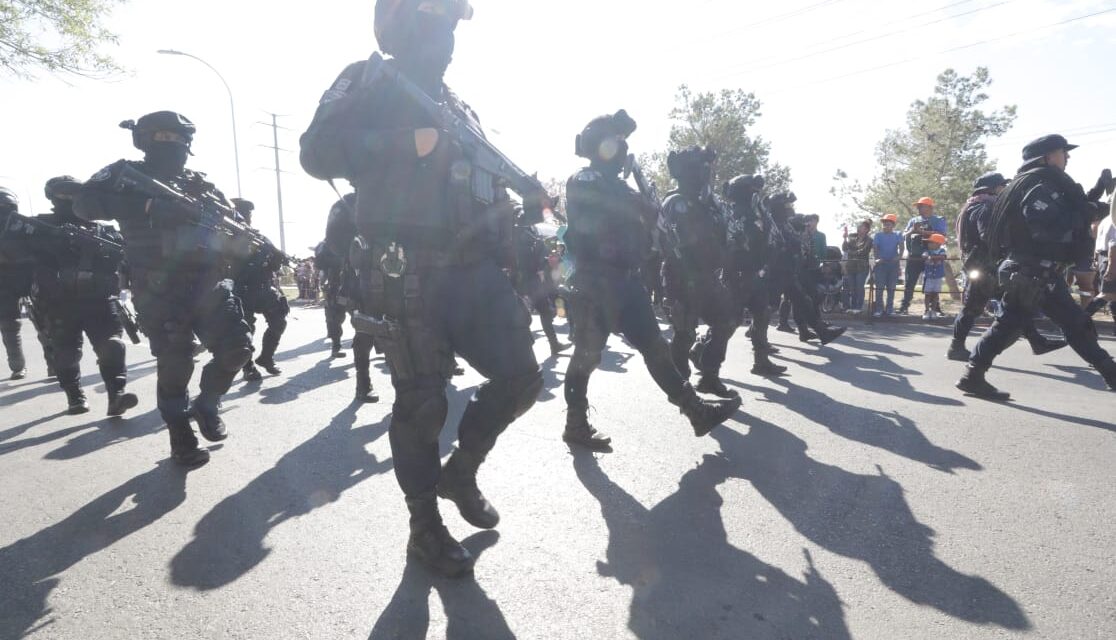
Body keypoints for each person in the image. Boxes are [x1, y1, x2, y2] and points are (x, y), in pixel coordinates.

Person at [301, 0, 544, 577]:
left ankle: (461, 473)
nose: (445, 39)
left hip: (473, 272)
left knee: (522, 379)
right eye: (433, 25)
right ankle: (424, 528)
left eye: (450, 28)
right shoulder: (366, 79)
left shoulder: (460, 106)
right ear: (401, 26)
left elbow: (483, 192)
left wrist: (524, 200)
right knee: (422, 405)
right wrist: (403, 143)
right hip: (402, 267)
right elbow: (316, 153)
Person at [75, 111, 254, 467]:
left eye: (178, 139)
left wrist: (239, 239)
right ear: (144, 140)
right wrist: (147, 206)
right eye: (162, 137)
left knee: (238, 349)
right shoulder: (124, 175)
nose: (171, 145)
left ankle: (207, 403)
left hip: (208, 282)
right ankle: (181, 438)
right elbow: (83, 204)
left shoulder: (202, 186)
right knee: (176, 364)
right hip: (158, 287)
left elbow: (227, 229)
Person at [559, 110, 742, 454]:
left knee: (656, 347)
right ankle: (575, 423)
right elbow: (602, 216)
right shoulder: (584, 179)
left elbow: (645, 227)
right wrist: (639, 201)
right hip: (595, 282)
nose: (622, 150)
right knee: (586, 356)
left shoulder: (621, 186)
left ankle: (695, 411)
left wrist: (645, 209)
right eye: (616, 142)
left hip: (627, 282)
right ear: (600, 147)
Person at [959, 134, 1116, 398]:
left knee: (1020, 325)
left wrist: (1097, 195)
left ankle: (972, 376)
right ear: (1046, 157)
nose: (1067, 156)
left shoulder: (1037, 183)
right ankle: (972, 375)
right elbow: (1048, 225)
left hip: (1034, 271)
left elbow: (1067, 209)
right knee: (1063, 324)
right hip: (1033, 272)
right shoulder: (1036, 186)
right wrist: (1091, 210)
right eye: (1062, 152)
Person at [7, 176, 137, 415]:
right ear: (53, 198)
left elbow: (125, 257)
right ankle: (75, 395)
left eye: (74, 194)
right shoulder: (38, 228)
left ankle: (116, 395)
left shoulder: (102, 230)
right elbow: (13, 251)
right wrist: (53, 243)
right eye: (63, 195)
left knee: (113, 346)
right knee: (66, 353)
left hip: (99, 300)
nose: (69, 200)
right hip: (59, 302)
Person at [949, 172, 1065, 360]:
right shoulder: (986, 208)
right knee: (975, 308)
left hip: (982, 265)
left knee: (1014, 303)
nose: (1005, 189)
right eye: (1002, 186)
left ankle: (1036, 341)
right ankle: (957, 348)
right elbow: (988, 235)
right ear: (993, 188)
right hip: (986, 266)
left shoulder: (973, 205)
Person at [660, 146, 740, 398]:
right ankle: (682, 391)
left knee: (727, 321)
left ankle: (709, 375)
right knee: (684, 334)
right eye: (700, 168)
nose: (706, 173)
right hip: (682, 277)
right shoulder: (676, 202)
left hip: (708, 277)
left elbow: (722, 235)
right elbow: (673, 243)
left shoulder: (710, 203)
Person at [722, 174, 788, 377]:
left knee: (762, 315)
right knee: (730, 321)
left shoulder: (754, 213)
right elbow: (744, 243)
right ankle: (702, 351)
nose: (755, 195)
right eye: (752, 191)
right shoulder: (736, 214)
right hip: (739, 275)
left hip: (754, 273)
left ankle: (761, 361)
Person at [327, 193, 379, 403]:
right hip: (361, 277)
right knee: (365, 330)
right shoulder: (347, 202)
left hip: (397, 271)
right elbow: (334, 242)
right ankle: (363, 383)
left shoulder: (396, 193)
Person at [230, 198, 290, 381]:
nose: (247, 217)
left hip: (264, 289)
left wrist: (275, 260)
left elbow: (273, 263)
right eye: (243, 213)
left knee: (279, 321)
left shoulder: (259, 237)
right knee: (245, 332)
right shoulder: (226, 236)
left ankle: (266, 357)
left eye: (248, 214)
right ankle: (248, 367)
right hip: (241, 291)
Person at [0, 187, 47, 381]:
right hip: (7, 282)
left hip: (29, 278)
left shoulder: (26, 225)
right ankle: (19, 366)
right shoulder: (26, 224)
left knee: (44, 322)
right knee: (11, 326)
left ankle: (53, 363)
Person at [512, 205, 569, 356]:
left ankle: (553, 344)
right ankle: (551, 345)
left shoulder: (528, 231)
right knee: (541, 311)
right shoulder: (519, 233)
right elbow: (525, 259)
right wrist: (540, 266)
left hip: (534, 277)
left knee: (550, 305)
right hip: (529, 279)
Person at [898, 197, 948, 314]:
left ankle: (935, 308)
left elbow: (942, 235)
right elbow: (904, 235)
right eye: (918, 206)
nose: (919, 208)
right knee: (910, 283)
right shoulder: (913, 220)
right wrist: (913, 230)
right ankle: (904, 307)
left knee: (932, 283)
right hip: (914, 256)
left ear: (929, 207)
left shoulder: (939, 220)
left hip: (931, 257)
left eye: (921, 206)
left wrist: (923, 232)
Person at [316, 236, 350, 359]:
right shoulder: (326, 245)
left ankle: (378, 346)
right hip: (336, 286)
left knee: (365, 313)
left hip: (353, 284)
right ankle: (336, 345)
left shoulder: (353, 240)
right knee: (336, 315)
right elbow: (319, 262)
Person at [872, 213, 903, 317]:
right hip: (881, 265)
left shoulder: (898, 234)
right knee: (879, 288)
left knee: (891, 288)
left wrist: (899, 256)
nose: (885, 226)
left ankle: (890, 309)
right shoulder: (878, 235)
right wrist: (877, 259)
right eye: (884, 224)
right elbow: (875, 248)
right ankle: (879, 309)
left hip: (893, 265)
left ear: (893, 225)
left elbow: (901, 246)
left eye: (888, 224)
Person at [842, 220, 873, 313]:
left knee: (859, 287)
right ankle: (852, 306)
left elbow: (863, 251)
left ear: (867, 229)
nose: (859, 228)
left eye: (862, 227)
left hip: (862, 267)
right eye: (859, 226)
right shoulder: (852, 237)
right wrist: (844, 238)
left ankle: (859, 307)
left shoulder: (869, 240)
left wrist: (851, 251)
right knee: (852, 287)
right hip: (851, 266)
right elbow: (844, 248)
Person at [920, 233, 948, 320]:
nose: (928, 244)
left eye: (931, 242)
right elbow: (924, 255)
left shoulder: (942, 251)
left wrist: (931, 257)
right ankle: (926, 310)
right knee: (927, 294)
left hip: (938, 276)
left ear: (938, 244)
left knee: (935, 294)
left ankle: (933, 311)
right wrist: (928, 257)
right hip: (928, 276)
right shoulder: (927, 251)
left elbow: (943, 257)